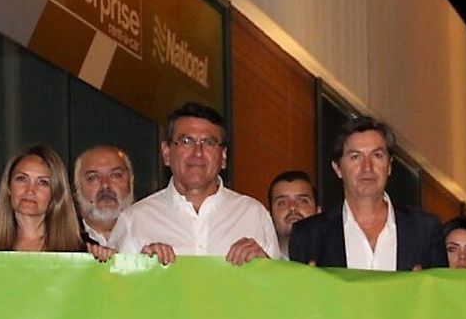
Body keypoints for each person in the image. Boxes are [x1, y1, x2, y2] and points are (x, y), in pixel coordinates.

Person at [110, 102, 279, 263]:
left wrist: (265, 266)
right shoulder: (135, 220)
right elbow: (113, 283)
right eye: (186, 141)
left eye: (209, 143)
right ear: (166, 153)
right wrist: (141, 268)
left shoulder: (254, 215)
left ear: (223, 157)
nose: (198, 153)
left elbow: (278, 282)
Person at [287, 118, 447, 269]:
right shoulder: (309, 235)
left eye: (377, 155)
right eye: (355, 157)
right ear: (337, 168)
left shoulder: (425, 230)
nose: (367, 167)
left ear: (389, 166)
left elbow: (441, 288)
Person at [0, 143, 89, 253]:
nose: (30, 190)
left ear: (56, 193)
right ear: (8, 187)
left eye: (42, 182)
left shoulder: (80, 252)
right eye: (21, 179)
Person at [73, 144, 134, 248]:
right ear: (77, 186)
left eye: (116, 175)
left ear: (131, 182)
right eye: (93, 177)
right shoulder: (60, 241)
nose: (105, 185)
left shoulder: (151, 234)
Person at [267, 170, 319, 260]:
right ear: (270, 215)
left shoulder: (338, 258)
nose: (292, 207)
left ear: (318, 212)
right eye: (282, 203)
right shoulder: (258, 262)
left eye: (302, 201)